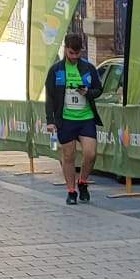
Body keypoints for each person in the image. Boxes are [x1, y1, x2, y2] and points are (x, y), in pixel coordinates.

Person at [42, 31, 104, 205]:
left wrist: (88, 92)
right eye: (71, 53)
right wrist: (50, 120)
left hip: (86, 118)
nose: (75, 57)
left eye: (78, 54)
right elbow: (50, 97)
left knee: (90, 153)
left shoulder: (88, 68)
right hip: (66, 119)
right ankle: (71, 191)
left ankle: (83, 182)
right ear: (65, 49)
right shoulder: (56, 70)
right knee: (68, 156)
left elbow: (99, 90)